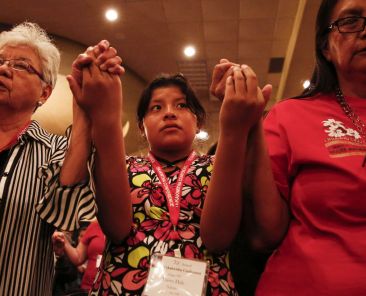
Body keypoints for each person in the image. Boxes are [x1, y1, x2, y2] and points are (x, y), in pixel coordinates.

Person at [65, 45, 268, 293]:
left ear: (198, 121)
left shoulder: (218, 165)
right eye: (156, 108)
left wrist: (234, 127)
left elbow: (219, 238)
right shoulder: (123, 165)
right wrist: (106, 114)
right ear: (142, 126)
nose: (170, 113)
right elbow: (116, 228)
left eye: (181, 106)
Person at [206, 0, 366, 295]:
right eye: (351, 21)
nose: (364, 30)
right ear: (325, 47)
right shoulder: (290, 116)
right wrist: (250, 123)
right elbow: (264, 235)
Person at [0, 22, 122, 295]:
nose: (4, 69)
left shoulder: (53, 150)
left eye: (21, 65)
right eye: (0, 61)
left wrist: (83, 108)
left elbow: (64, 212)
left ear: (44, 92)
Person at [52, 220, 105, 292]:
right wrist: (63, 240)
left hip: (112, 286)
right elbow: (78, 257)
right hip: (88, 288)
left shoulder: (123, 226)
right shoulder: (95, 225)